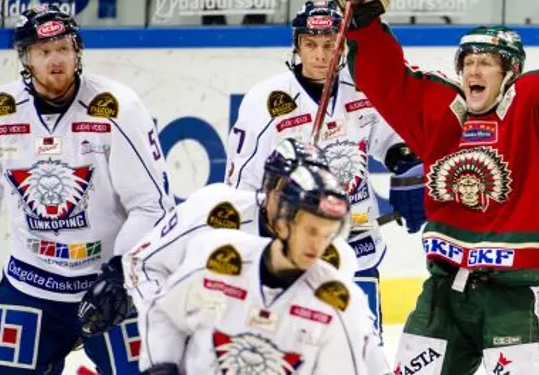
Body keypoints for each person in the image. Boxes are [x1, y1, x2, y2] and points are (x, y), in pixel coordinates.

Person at [331, 0, 539, 374]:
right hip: (443, 295)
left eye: (486, 61)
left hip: (512, 300)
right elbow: (388, 82)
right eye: (467, 62)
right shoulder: (439, 111)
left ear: (510, 73)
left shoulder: (534, 111)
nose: (473, 70)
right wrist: (365, 19)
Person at [0, 5, 175, 374]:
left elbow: (152, 205)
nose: (56, 59)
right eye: (44, 52)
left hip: (107, 282)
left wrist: (119, 272)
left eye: (64, 48)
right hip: (30, 284)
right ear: (26, 59)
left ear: (77, 52)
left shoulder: (116, 109)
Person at [225, 0, 426, 333]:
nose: (320, 55)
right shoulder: (266, 101)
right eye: (311, 45)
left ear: (343, 44)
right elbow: (241, 187)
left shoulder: (361, 88)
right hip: (292, 250)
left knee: (361, 350)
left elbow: (392, 141)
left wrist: (407, 168)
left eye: (330, 45)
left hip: (358, 243)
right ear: (297, 46)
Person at [123, 138, 387, 372]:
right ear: (268, 187)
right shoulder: (216, 220)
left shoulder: (334, 257)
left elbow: (357, 337)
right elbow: (146, 272)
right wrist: (172, 347)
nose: (318, 243)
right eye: (285, 190)